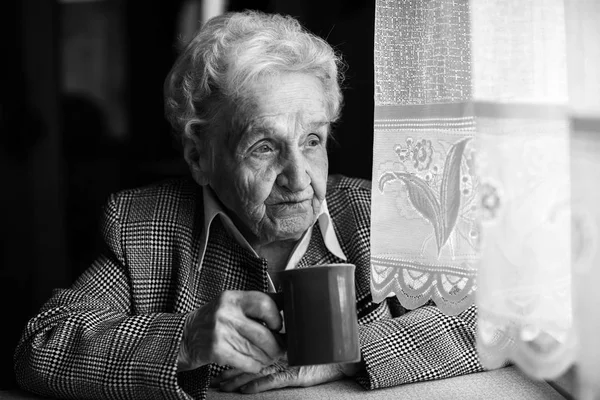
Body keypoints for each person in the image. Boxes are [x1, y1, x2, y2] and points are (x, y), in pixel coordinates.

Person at [14, 10, 483, 400]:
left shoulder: (384, 212)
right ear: (199, 155)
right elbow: (43, 346)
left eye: (313, 140)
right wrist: (183, 340)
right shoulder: (144, 226)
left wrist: (354, 351)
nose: (299, 179)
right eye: (264, 146)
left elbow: (503, 315)